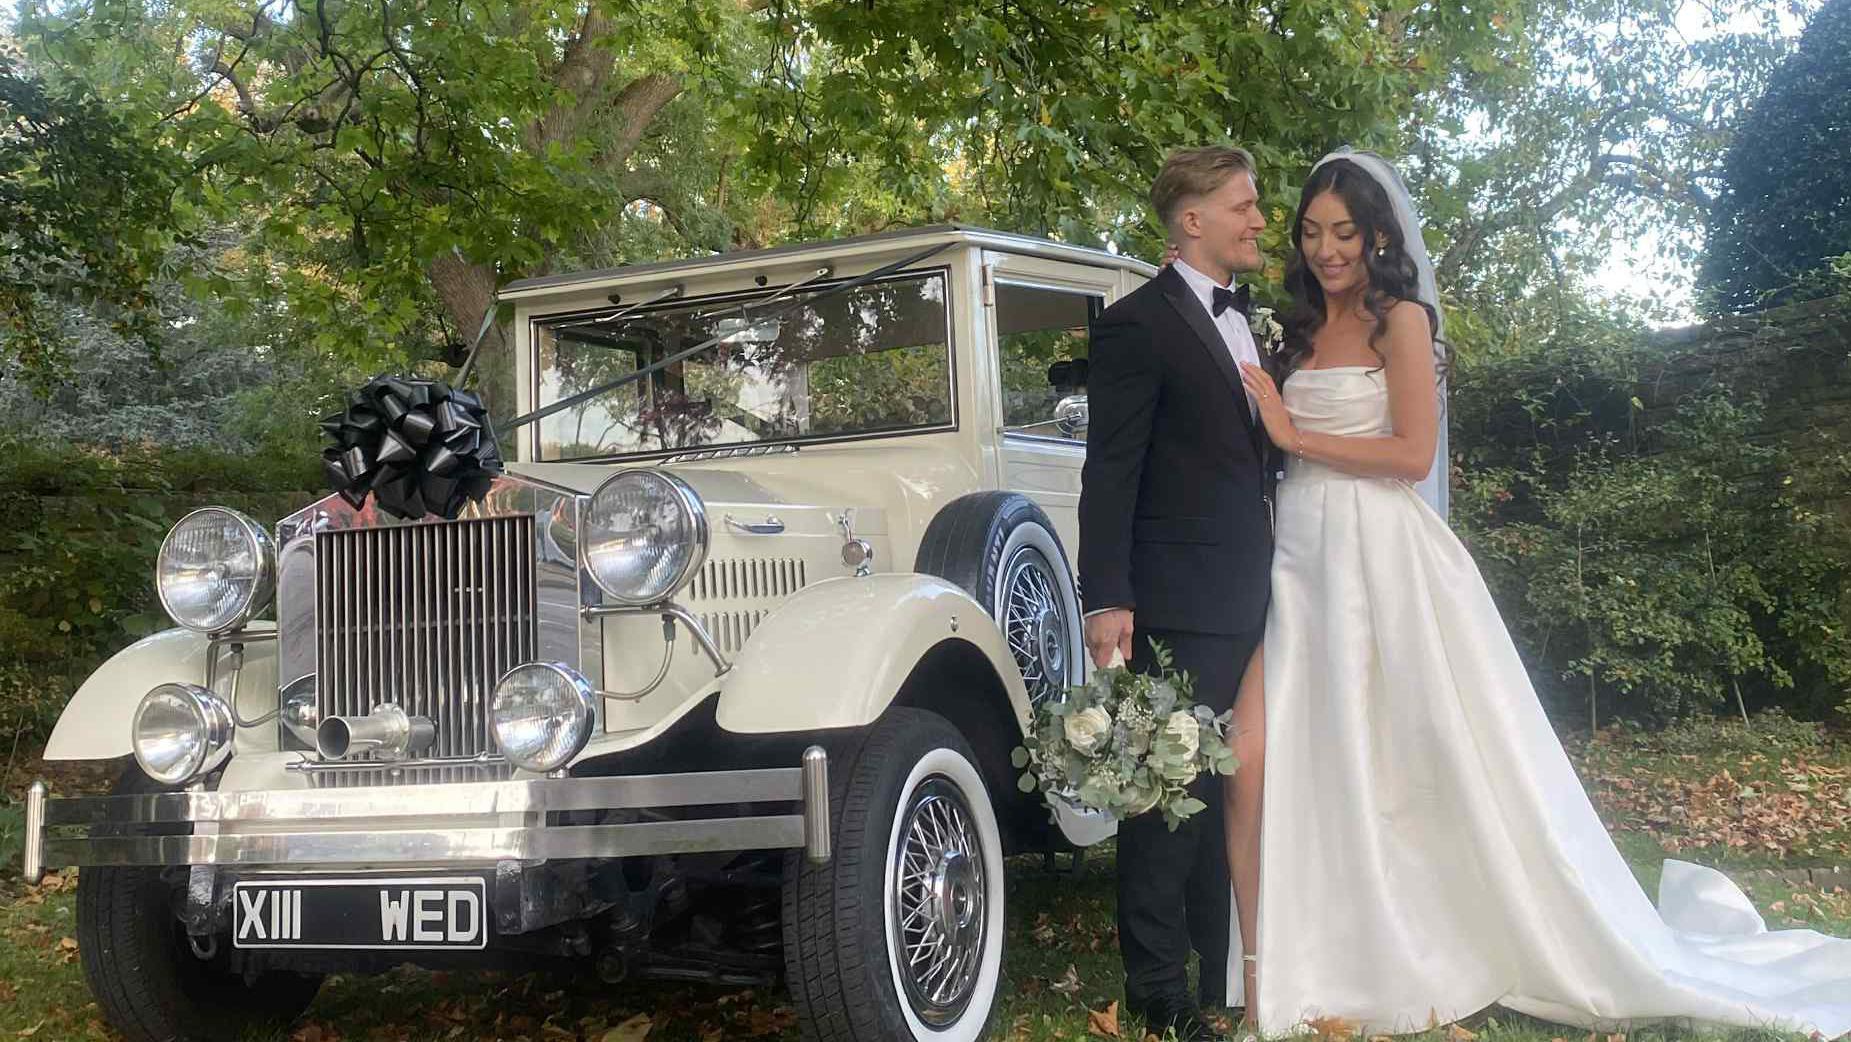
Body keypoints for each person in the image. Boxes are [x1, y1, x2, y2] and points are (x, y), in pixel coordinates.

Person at [1227, 147, 1851, 1037]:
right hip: (1300, 556)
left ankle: (1421, 941)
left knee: (1406, 755)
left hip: (1381, 557)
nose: (1327, 250)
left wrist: (1293, 434)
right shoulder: (1289, 332)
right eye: (1310, 232)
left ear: (1376, 237)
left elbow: (1410, 456)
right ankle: (1316, 949)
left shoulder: (1399, 320)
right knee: (1311, 748)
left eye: (1345, 233)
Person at [1077, 144, 1277, 1042]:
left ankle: (1219, 967)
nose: (1259, 220)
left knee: (1226, 791)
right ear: (1191, 219)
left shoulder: (1248, 323)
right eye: (1243, 205)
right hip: (1177, 596)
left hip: (1256, 593)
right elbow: (1109, 469)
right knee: (1166, 799)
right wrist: (1106, 594)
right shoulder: (1134, 325)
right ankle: (1160, 993)